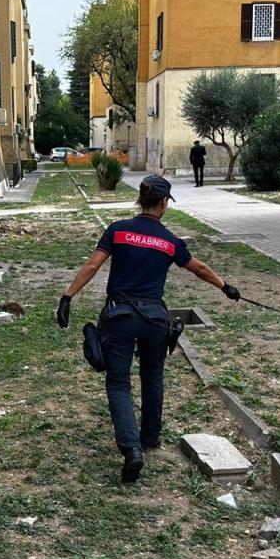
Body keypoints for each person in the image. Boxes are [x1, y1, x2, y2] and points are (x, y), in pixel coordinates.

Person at [56, 175, 241, 483]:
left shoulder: (117, 230)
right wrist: (226, 287)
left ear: (141, 200)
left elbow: (92, 266)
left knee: (118, 385)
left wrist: (67, 296)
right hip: (156, 320)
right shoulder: (169, 241)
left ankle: (131, 450)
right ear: (164, 203)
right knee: (153, 377)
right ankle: (150, 436)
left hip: (120, 318)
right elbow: (199, 268)